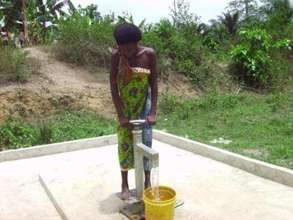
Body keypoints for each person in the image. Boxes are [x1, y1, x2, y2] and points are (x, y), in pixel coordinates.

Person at [110, 23, 158, 200]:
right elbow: (113, 86)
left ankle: (147, 182)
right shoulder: (116, 56)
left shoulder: (148, 54)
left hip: (143, 106)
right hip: (126, 107)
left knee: (146, 144)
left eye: (127, 47)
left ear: (136, 43)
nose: (124, 51)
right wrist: (121, 115)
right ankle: (124, 184)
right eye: (120, 47)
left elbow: (153, 84)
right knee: (124, 144)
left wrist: (152, 112)